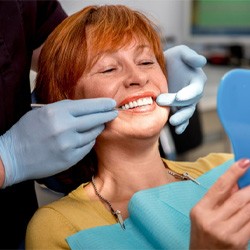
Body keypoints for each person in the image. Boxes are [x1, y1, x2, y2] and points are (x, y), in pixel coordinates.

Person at [25, 5, 250, 249]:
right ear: (67, 104)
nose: (139, 77)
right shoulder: (59, 227)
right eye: (109, 68)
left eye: (146, 61)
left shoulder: (229, 167)